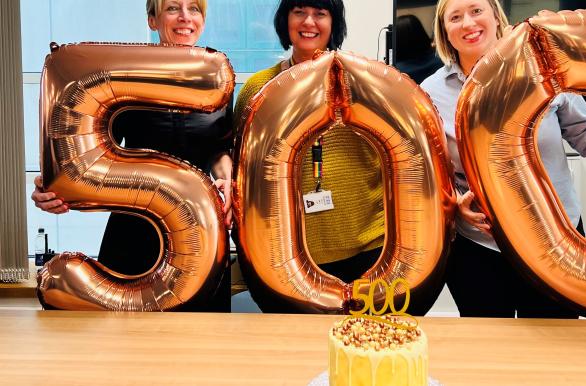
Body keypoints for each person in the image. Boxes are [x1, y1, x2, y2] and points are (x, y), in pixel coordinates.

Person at [420, 0, 586, 318]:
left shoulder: (542, 69)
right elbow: (428, 172)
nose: (468, 23)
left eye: (476, 10)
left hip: (557, 239)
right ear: (445, 32)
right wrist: (454, 204)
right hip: (480, 247)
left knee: (556, 342)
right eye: (455, 17)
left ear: (496, 16)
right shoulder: (431, 92)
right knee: (492, 348)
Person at [31, 0, 233, 312]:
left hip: (200, 237)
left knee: (203, 347)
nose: (185, 18)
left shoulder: (217, 80)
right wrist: (53, 187)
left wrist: (226, 178)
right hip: (134, 232)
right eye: (172, 8)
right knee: (131, 348)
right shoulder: (123, 77)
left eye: (194, 9)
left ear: (203, 21)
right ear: (152, 20)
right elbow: (83, 150)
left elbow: (219, 150)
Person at [233, 0, 384, 310]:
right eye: (299, 11)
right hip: (287, 253)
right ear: (285, 21)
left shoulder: (364, 81)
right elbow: (240, 165)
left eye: (320, 13)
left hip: (367, 247)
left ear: (334, 23)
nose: (309, 22)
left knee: (362, 347)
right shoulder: (259, 88)